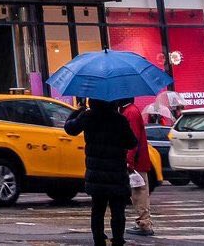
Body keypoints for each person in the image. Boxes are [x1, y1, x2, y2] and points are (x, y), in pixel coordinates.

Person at [65, 98, 138, 246]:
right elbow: (132, 142)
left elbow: (70, 129)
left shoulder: (88, 117)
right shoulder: (120, 119)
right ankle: (118, 239)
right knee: (118, 211)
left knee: (97, 209)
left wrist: (78, 111)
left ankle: (98, 239)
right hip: (117, 173)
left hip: (96, 174)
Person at [121, 98, 154, 237]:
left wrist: (129, 160)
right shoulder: (129, 111)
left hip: (137, 161)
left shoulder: (131, 112)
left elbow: (133, 139)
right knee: (137, 193)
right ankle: (143, 223)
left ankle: (144, 224)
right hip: (137, 160)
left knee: (139, 193)